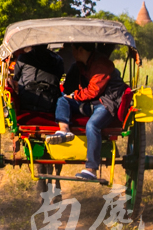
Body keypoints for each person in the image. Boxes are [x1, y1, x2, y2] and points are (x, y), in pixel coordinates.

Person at [46, 42, 128, 181]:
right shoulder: (80, 66)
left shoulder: (101, 65)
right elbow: (69, 88)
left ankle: (91, 169)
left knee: (92, 125)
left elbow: (93, 91)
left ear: (81, 49)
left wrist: (74, 95)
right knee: (63, 100)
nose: (72, 53)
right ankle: (64, 130)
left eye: (73, 49)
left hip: (106, 103)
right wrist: (68, 95)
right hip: (89, 103)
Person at [12, 44, 64, 114]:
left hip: (26, 101)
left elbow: (16, 78)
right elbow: (59, 77)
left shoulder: (23, 58)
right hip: (50, 103)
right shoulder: (58, 59)